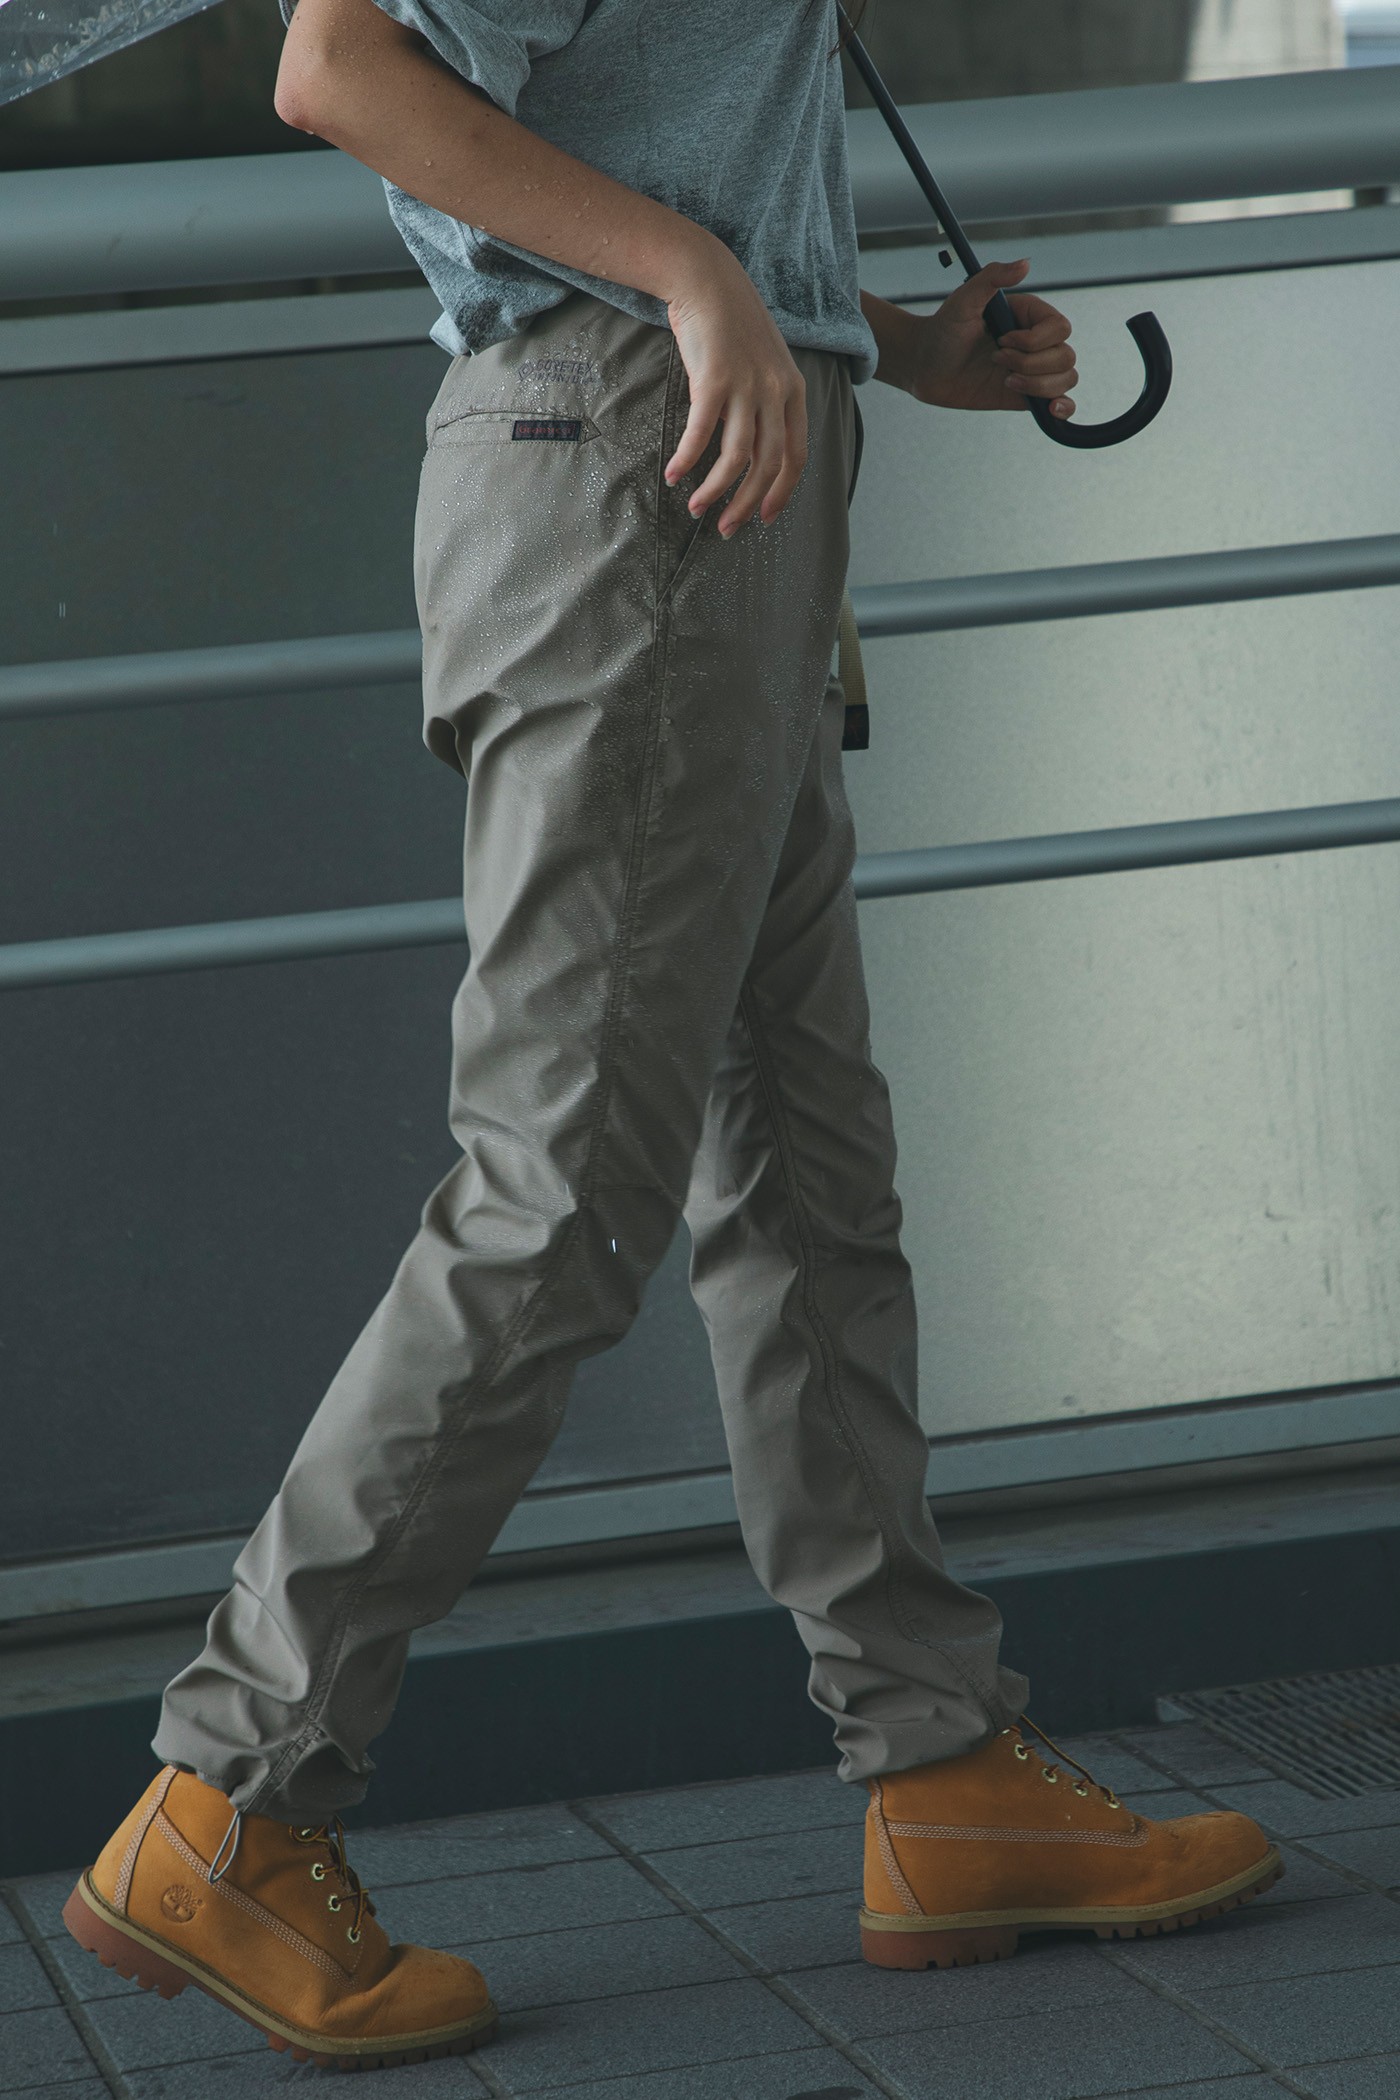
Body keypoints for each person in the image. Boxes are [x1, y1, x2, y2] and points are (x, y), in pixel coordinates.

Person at [60, 0, 1280, 2071]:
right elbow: (343, 65)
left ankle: (943, 1771)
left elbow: (667, 124)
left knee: (808, 1175)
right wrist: (701, 280)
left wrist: (870, 335)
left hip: (718, 489)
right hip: (628, 475)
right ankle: (231, 1804)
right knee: (560, 1195)